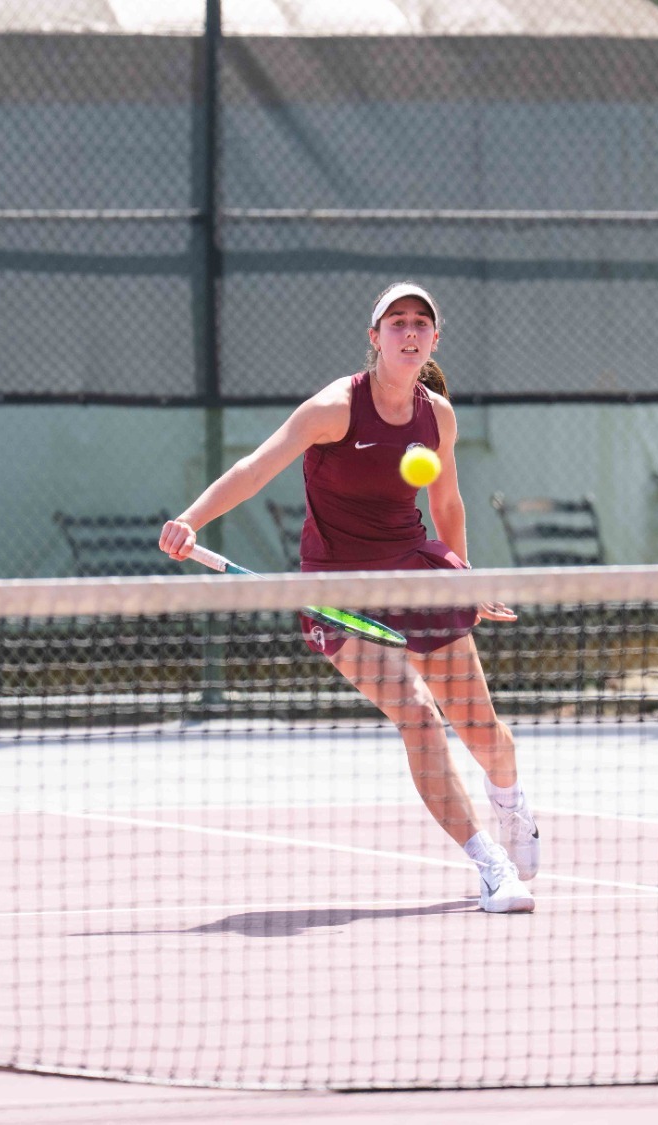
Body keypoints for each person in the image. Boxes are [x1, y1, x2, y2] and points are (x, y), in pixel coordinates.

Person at [159, 282, 540, 914]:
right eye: (397, 322)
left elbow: (446, 502)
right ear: (375, 337)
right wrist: (190, 520)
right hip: (338, 589)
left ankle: (509, 799)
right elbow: (255, 469)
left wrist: (464, 582)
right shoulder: (334, 408)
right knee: (417, 715)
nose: (409, 332)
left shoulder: (438, 416)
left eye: (421, 322)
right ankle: (489, 865)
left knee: (484, 733)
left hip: (415, 571)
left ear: (434, 339)